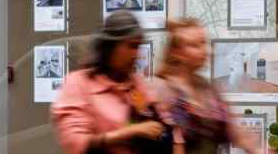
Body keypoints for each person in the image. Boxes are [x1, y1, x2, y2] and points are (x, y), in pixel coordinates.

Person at [51, 10, 182, 154]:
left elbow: (162, 121)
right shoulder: (78, 83)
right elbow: (74, 142)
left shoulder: (136, 82)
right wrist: (130, 132)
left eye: (138, 47)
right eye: (131, 46)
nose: (136, 55)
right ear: (109, 47)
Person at [152, 18, 261, 154]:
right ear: (177, 52)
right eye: (194, 45)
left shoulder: (208, 89)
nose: (205, 50)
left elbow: (237, 132)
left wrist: (260, 150)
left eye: (204, 43)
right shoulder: (162, 88)